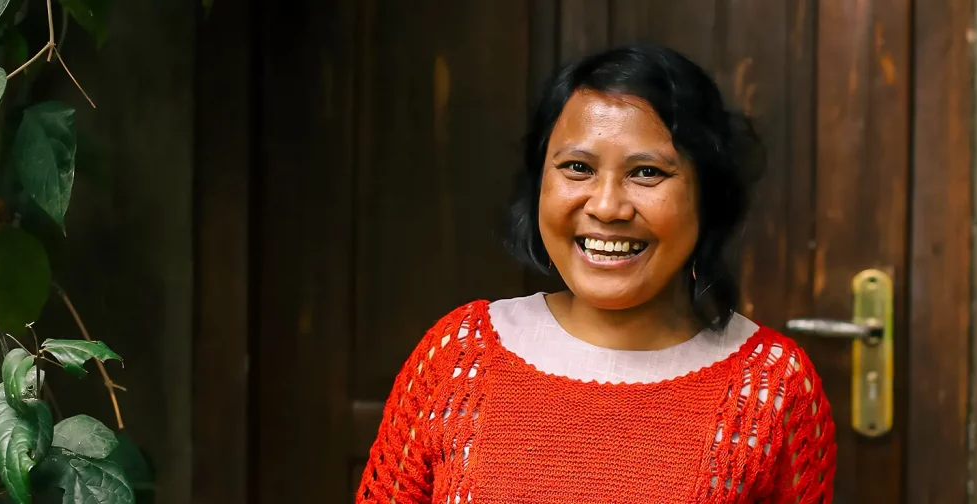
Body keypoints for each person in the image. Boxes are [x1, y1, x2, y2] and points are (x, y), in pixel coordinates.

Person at [356, 44, 836, 503]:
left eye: (646, 172)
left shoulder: (771, 384)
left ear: (709, 195)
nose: (606, 206)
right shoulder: (460, 355)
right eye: (578, 168)